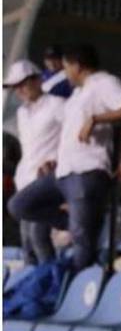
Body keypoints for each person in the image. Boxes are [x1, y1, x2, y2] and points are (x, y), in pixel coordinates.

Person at [7, 45, 121, 270]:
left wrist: (96, 119)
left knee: (79, 246)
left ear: (77, 66)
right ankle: (82, 225)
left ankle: (73, 290)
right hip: (62, 172)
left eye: (66, 67)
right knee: (19, 206)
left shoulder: (104, 82)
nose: (64, 73)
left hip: (87, 171)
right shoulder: (78, 93)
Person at [4, 59, 65, 265]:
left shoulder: (57, 105)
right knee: (27, 244)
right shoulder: (21, 113)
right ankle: (34, 290)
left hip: (45, 181)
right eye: (15, 87)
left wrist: (56, 161)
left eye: (23, 84)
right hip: (25, 182)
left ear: (38, 80)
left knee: (39, 238)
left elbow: (72, 136)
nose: (19, 90)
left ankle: (49, 285)